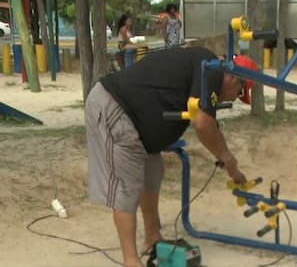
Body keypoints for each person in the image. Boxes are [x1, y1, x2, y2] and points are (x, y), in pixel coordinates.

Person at [85, 46, 257, 267]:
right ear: (235, 80)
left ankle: (152, 237)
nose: (232, 98)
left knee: (153, 170)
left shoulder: (206, 71)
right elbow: (203, 124)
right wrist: (226, 157)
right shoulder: (212, 69)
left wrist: (229, 162)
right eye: (239, 94)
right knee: (127, 185)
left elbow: (207, 123)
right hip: (116, 109)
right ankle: (130, 260)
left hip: (134, 122)